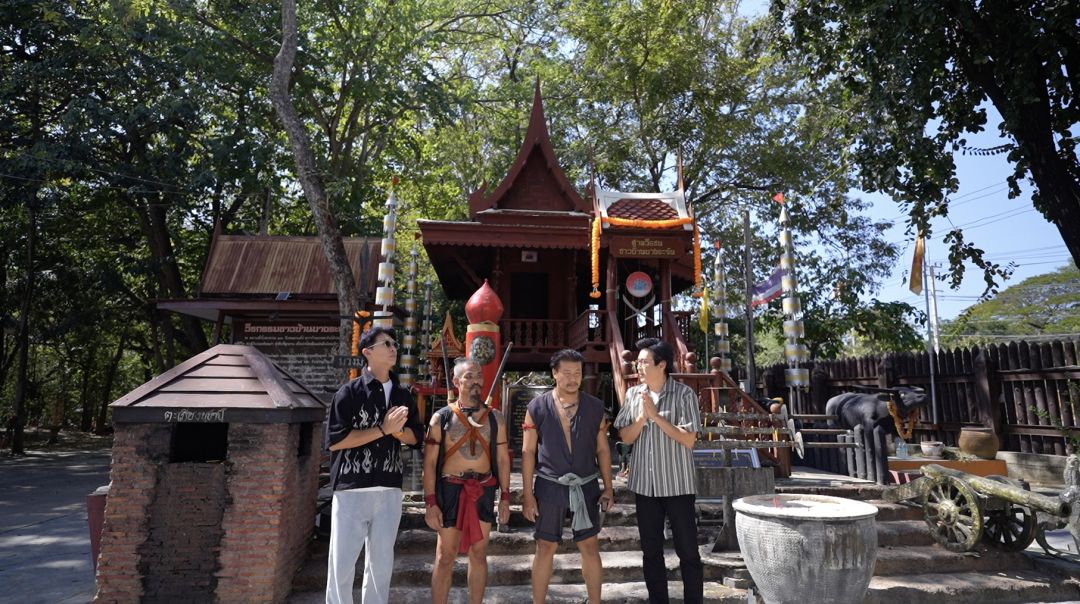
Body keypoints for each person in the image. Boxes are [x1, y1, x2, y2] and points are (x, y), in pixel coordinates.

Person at [324, 326, 424, 604]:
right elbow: (335, 441)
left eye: (394, 344)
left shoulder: (403, 395)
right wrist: (382, 429)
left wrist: (397, 432)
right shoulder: (349, 393)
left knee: (381, 566)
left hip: (389, 488)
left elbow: (416, 437)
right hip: (352, 488)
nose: (393, 348)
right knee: (342, 564)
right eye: (386, 344)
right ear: (367, 352)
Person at [613, 337, 703, 604]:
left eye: (644, 362)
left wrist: (656, 417)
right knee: (651, 552)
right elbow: (626, 437)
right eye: (638, 362)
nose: (638, 367)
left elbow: (689, 439)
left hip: (677, 484)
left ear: (661, 364)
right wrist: (642, 418)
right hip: (645, 486)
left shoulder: (684, 394)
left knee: (688, 552)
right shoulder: (633, 395)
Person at [520, 349, 614, 604]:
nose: (573, 379)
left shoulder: (595, 407)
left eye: (578, 373)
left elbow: (603, 449)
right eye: (567, 373)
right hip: (550, 485)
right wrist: (528, 495)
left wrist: (608, 487)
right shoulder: (537, 407)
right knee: (545, 546)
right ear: (555, 373)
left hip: (586, 485)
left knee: (589, 545)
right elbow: (528, 452)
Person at [423, 357, 511, 604]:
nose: (475, 381)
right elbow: (429, 463)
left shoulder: (495, 418)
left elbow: (502, 460)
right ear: (456, 382)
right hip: (450, 490)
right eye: (468, 377)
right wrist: (430, 502)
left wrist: (505, 497)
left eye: (478, 376)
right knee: (445, 555)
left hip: (483, 489)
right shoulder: (441, 419)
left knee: (479, 554)